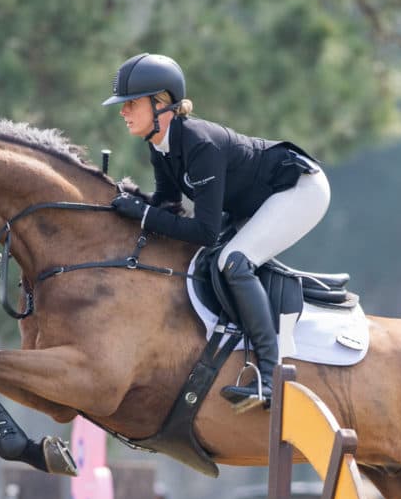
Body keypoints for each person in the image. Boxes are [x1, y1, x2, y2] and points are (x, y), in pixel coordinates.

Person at [103, 52, 332, 410]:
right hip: (256, 201)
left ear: (161, 103)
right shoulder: (160, 145)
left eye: (131, 103)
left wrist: (144, 214)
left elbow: (205, 231)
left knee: (233, 261)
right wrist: (128, 203)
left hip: (299, 189)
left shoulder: (199, 144)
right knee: (214, 259)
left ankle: (272, 379)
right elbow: (166, 203)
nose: (123, 112)